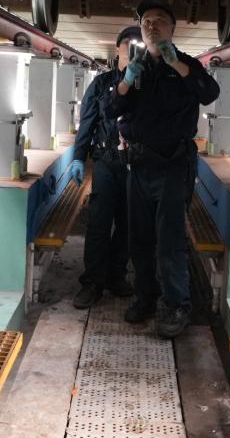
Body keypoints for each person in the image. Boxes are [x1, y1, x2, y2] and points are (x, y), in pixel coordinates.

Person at [108, 0, 220, 338]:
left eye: (159, 21)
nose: (151, 26)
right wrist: (126, 80)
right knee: (139, 237)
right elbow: (112, 109)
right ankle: (146, 297)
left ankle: (176, 305)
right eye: (146, 22)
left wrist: (178, 65)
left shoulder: (186, 65)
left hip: (173, 164)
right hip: (138, 164)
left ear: (172, 29)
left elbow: (209, 93)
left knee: (170, 238)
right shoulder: (136, 67)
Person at [70, 26, 141, 308]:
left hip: (137, 164)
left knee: (128, 223)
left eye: (139, 45)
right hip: (106, 161)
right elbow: (87, 121)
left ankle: (116, 276)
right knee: (99, 222)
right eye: (128, 44)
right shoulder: (101, 84)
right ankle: (92, 282)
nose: (132, 49)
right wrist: (79, 156)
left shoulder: (148, 83)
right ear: (118, 48)